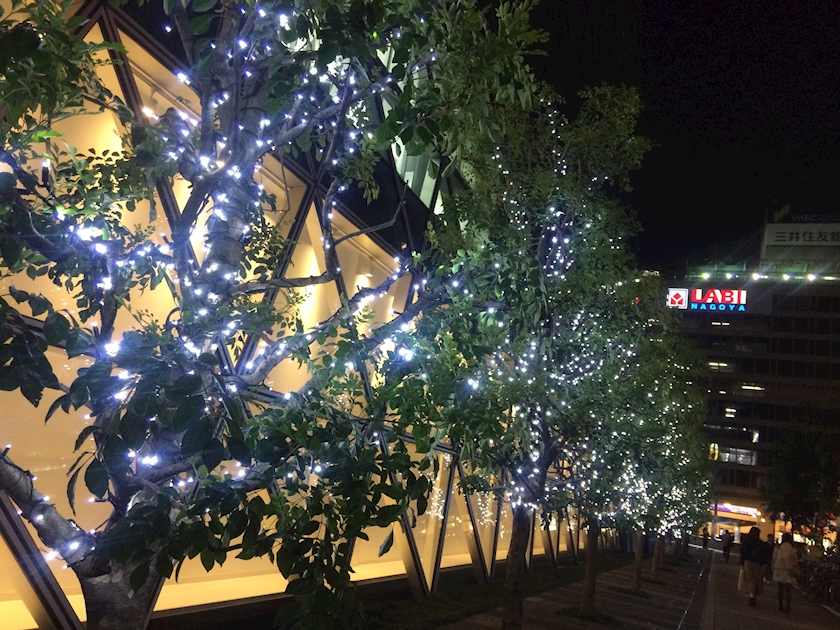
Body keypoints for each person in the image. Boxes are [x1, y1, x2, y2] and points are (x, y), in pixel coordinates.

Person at [740, 527, 770, 607]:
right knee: (756, 581)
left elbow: (742, 552)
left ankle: (752, 597)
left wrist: (742, 563)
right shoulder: (760, 543)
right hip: (758, 564)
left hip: (748, 562)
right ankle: (753, 596)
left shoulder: (746, 541)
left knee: (750, 580)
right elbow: (766, 554)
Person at [772, 533, 798, 613]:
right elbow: (795, 560)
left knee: (780, 588)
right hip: (789, 569)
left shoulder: (778, 547)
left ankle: (780, 604)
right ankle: (788, 605)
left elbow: (774, 558)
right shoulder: (793, 549)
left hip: (779, 569)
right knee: (788, 589)